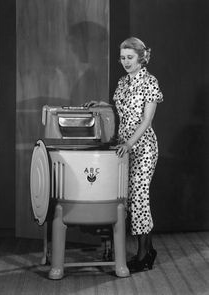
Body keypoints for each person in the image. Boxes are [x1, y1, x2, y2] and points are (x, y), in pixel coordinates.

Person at [84, 36, 163, 272]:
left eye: (130, 57)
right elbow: (121, 113)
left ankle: (143, 257)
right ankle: (148, 249)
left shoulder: (150, 81)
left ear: (141, 57)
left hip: (143, 147)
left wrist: (129, 144)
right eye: (122, 58)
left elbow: (147, 120)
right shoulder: (122, 83)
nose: (125, 62)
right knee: (128, 200)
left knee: (139, 198)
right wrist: (101, 104)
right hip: (123, 146)